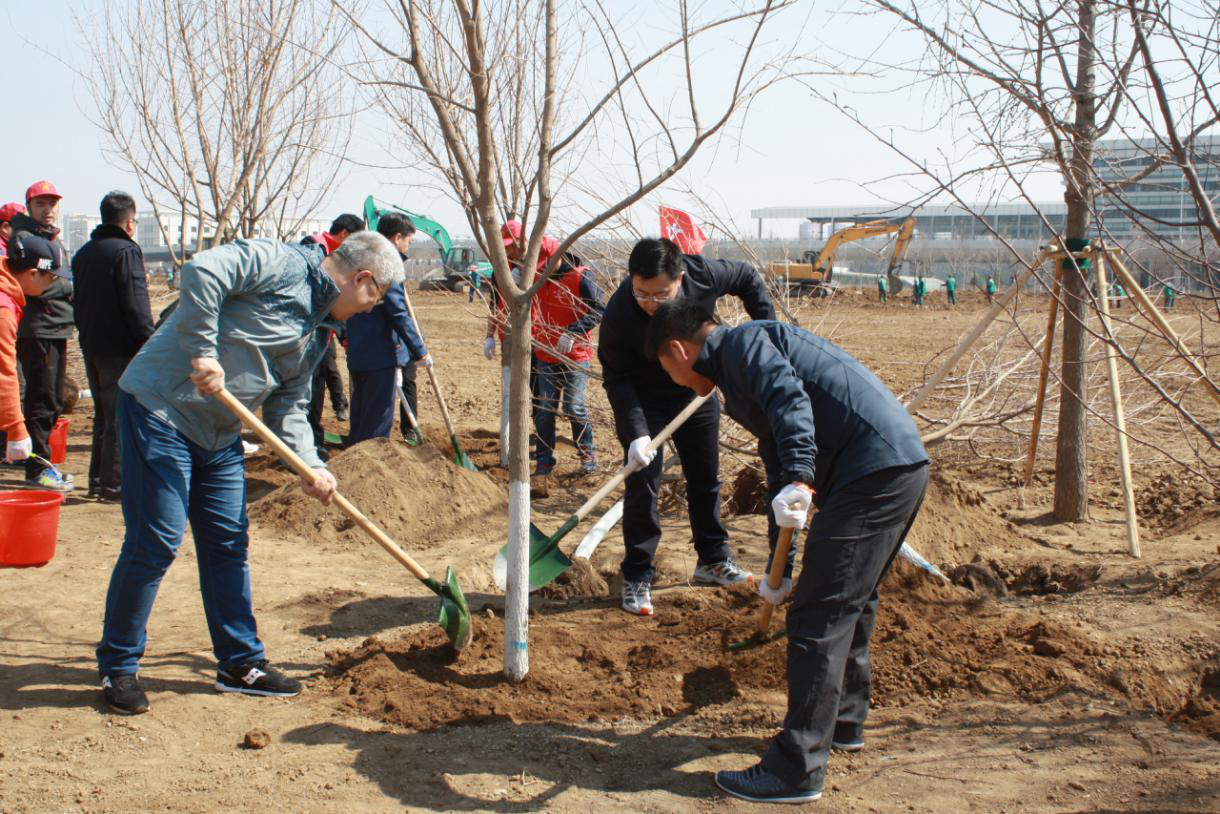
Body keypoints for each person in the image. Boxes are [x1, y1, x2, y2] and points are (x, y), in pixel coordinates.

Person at [95, 230, 403, 716]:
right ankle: (118, 664)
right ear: (362, 278)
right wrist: (203, 350)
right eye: (376, 297)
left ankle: (240, 663)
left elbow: (290, 406)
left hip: (218, 435)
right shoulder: (281, 264)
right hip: (161, 410)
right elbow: (202, 271)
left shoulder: (318, 332)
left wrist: (310, 463)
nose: (371, 309)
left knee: (228, 543)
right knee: (157, 540)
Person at [644, 300, 929, 804]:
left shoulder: (743, 345)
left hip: (874, 472)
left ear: (678, 350)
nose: (674, 380)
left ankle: (796, 770)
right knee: (851, 601)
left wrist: (800, 474)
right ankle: (842, 724)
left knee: (818, 615)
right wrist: (782, 564)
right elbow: (777, 458)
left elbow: (789, 399)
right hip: (894, 466)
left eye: (667, 370)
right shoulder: (738, 368)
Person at [599, 237, 774, 616]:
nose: (650, 303)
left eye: (660, 295)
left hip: (696, 388)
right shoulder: (619, 314)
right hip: (646, 400)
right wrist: (636, 433)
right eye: (641, 292)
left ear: (680, 279)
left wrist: (767, 330)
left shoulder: (702, 275)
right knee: (643, 484)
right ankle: (638, 574)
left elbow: (747, 277)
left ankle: (712, 559)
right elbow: (617, 379)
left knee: (705, 476)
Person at [71, 191, 155, 501]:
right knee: (121, 416)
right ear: (130, 223)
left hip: (92, 345)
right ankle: (114, 485)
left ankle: (98, 480)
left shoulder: (83, 253)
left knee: (103, 416)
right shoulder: (126, 252)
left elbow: (78, 305)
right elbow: (136, 306)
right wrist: (150, 343)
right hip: (121, 349)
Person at [344, 213, 431, 445]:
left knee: (361, 417)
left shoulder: (358, 258)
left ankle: (356, 459)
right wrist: (420, 350)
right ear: (397, 237)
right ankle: (370, 463)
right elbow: (398, 313)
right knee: (377, 424)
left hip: (358, 351)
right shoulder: (386, 263)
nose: (408, 246)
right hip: (380, 354)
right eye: (409, 241)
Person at [14, 181, 74, 491]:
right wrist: (67, 286)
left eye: (52, 203)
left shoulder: (51, 238)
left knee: (53, 399)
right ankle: (37, 469)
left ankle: (43, 464)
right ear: (29, 208)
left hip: (56, 326)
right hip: (39, 328)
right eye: (41, 204)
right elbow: (38, 283)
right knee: (41, 399)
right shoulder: (25, 240)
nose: (48, 209)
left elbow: (55, 279)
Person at [531, 234, 605, 476]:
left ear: (558, 256)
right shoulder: (537, 278)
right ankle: (544, 458)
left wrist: (573, 332)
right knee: (544, 409)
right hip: (546, 353)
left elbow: (599, 309)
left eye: (545, 264)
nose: (542, 270)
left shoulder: (582, 276)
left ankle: (587, 452)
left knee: (574, 406)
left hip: (575, 355)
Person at [2, 233, 72, 466]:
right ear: (32, 273)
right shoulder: (3, 310)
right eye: (51, 278)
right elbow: (3, 373)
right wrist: (16, 429)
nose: (52, 284)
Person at [302, 214, 363, 450]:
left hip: (323, 335)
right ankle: (305, 444)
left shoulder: (336, 256)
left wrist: (344, 334)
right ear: (344, 234)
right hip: (306, 337)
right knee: (307, 391)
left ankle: (314, 442)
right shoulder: (314, 248)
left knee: (319, 385)